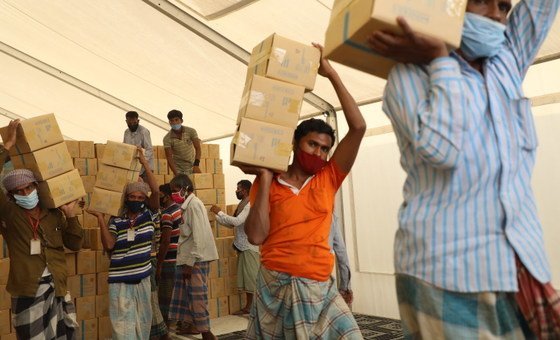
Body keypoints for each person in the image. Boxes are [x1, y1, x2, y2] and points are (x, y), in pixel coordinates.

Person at [368, 0, 560, 338]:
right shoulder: (407, 76)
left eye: (504, 6)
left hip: (519, 264)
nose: (499, 14)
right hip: (445, 273)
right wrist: (441, 60)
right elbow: (442, 151)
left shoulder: (506, 61)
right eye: (484, 2)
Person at [240, 43, 366, 339]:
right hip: (277, 284)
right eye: (312, 145)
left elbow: (358, 127)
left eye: (325, 149)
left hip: (321, 286)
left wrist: (330, 73)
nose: (319, 153)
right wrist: (266, 175)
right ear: (296, 143)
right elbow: (256, 236)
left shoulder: (329, 177)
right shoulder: (268, 181)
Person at [0, 119, 83, 339]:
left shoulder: (53, 213)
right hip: (28, 290)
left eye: (29, 187)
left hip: (58, 288)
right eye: (20, 191)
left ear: (37, 186)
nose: (26, 193)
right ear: (12, 196)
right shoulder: (10, 213)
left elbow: (75, 244)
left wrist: (71, 215)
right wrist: (7, 145)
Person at [88, 149, 160, 340]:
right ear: (126, 198)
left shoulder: (149, 214)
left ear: (144, 199)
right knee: (122, 330)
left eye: (140, 198)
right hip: (119, 281)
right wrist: (101, 220)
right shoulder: (117, 219)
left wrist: (145, 163)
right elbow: (109, 245)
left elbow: (157, 191)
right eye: (132, 197)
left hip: (142, 279)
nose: (136, 200)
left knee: (142, 325)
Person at [167, 174, 218, 340]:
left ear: (185, 189)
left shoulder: (194, 205)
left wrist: (190, 263)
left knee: (197, 296)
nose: (173, 194)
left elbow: (199, 236)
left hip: (196, 260)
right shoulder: (186, 206)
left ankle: (206, 333)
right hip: (189, 259)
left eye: (176, 190)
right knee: (187, 296)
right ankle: (194, 326)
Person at [210, 179, 260, 315]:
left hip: (249, 247)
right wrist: (216, 216)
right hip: (242, 247)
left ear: (245, 190)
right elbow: (231, 224)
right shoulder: (242, 205)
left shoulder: (249, 205)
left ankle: (253, 308)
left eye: (238, 189)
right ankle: (249, 307)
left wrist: (220, 212)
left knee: (251, 280)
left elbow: (237, 221)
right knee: (246, 280)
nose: (236, 191)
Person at [155, 183, 182, 326]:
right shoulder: (179, 209)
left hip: (168, 261)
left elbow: (165, 242)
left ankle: (166, 329)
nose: (158, 199)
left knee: (165, 297)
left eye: (159, 196)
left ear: (166, 196)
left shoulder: (167, 214)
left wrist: (159, 265)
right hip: (178, 258)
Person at [163, 110, 202, 175]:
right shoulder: (167, 139)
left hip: (193, 166)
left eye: (176, 120)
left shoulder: (191, 131)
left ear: (181, 121)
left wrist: (196, 165)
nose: (174, 123)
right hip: (178, 169)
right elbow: (169, 158)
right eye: (171, 121)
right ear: (169, 122)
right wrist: (176, 174)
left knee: (197, 184)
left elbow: (198, 148)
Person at [329, 214, 353, 306]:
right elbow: (341, 251)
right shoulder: (330, 216)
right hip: (322, 278)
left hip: (294, 277)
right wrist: (344, 288)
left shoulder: (290, 206)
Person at [123, 110, 154, 179]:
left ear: (138, 121)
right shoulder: (126, 132)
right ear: (126, 121)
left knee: (146, 188)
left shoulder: (144, 131)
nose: (132, 125)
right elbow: (125, 147)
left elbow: (149, 150)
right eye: (129, 123)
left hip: (146, 167)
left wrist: (142, 161)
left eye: (134, 122)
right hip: (132, 167)